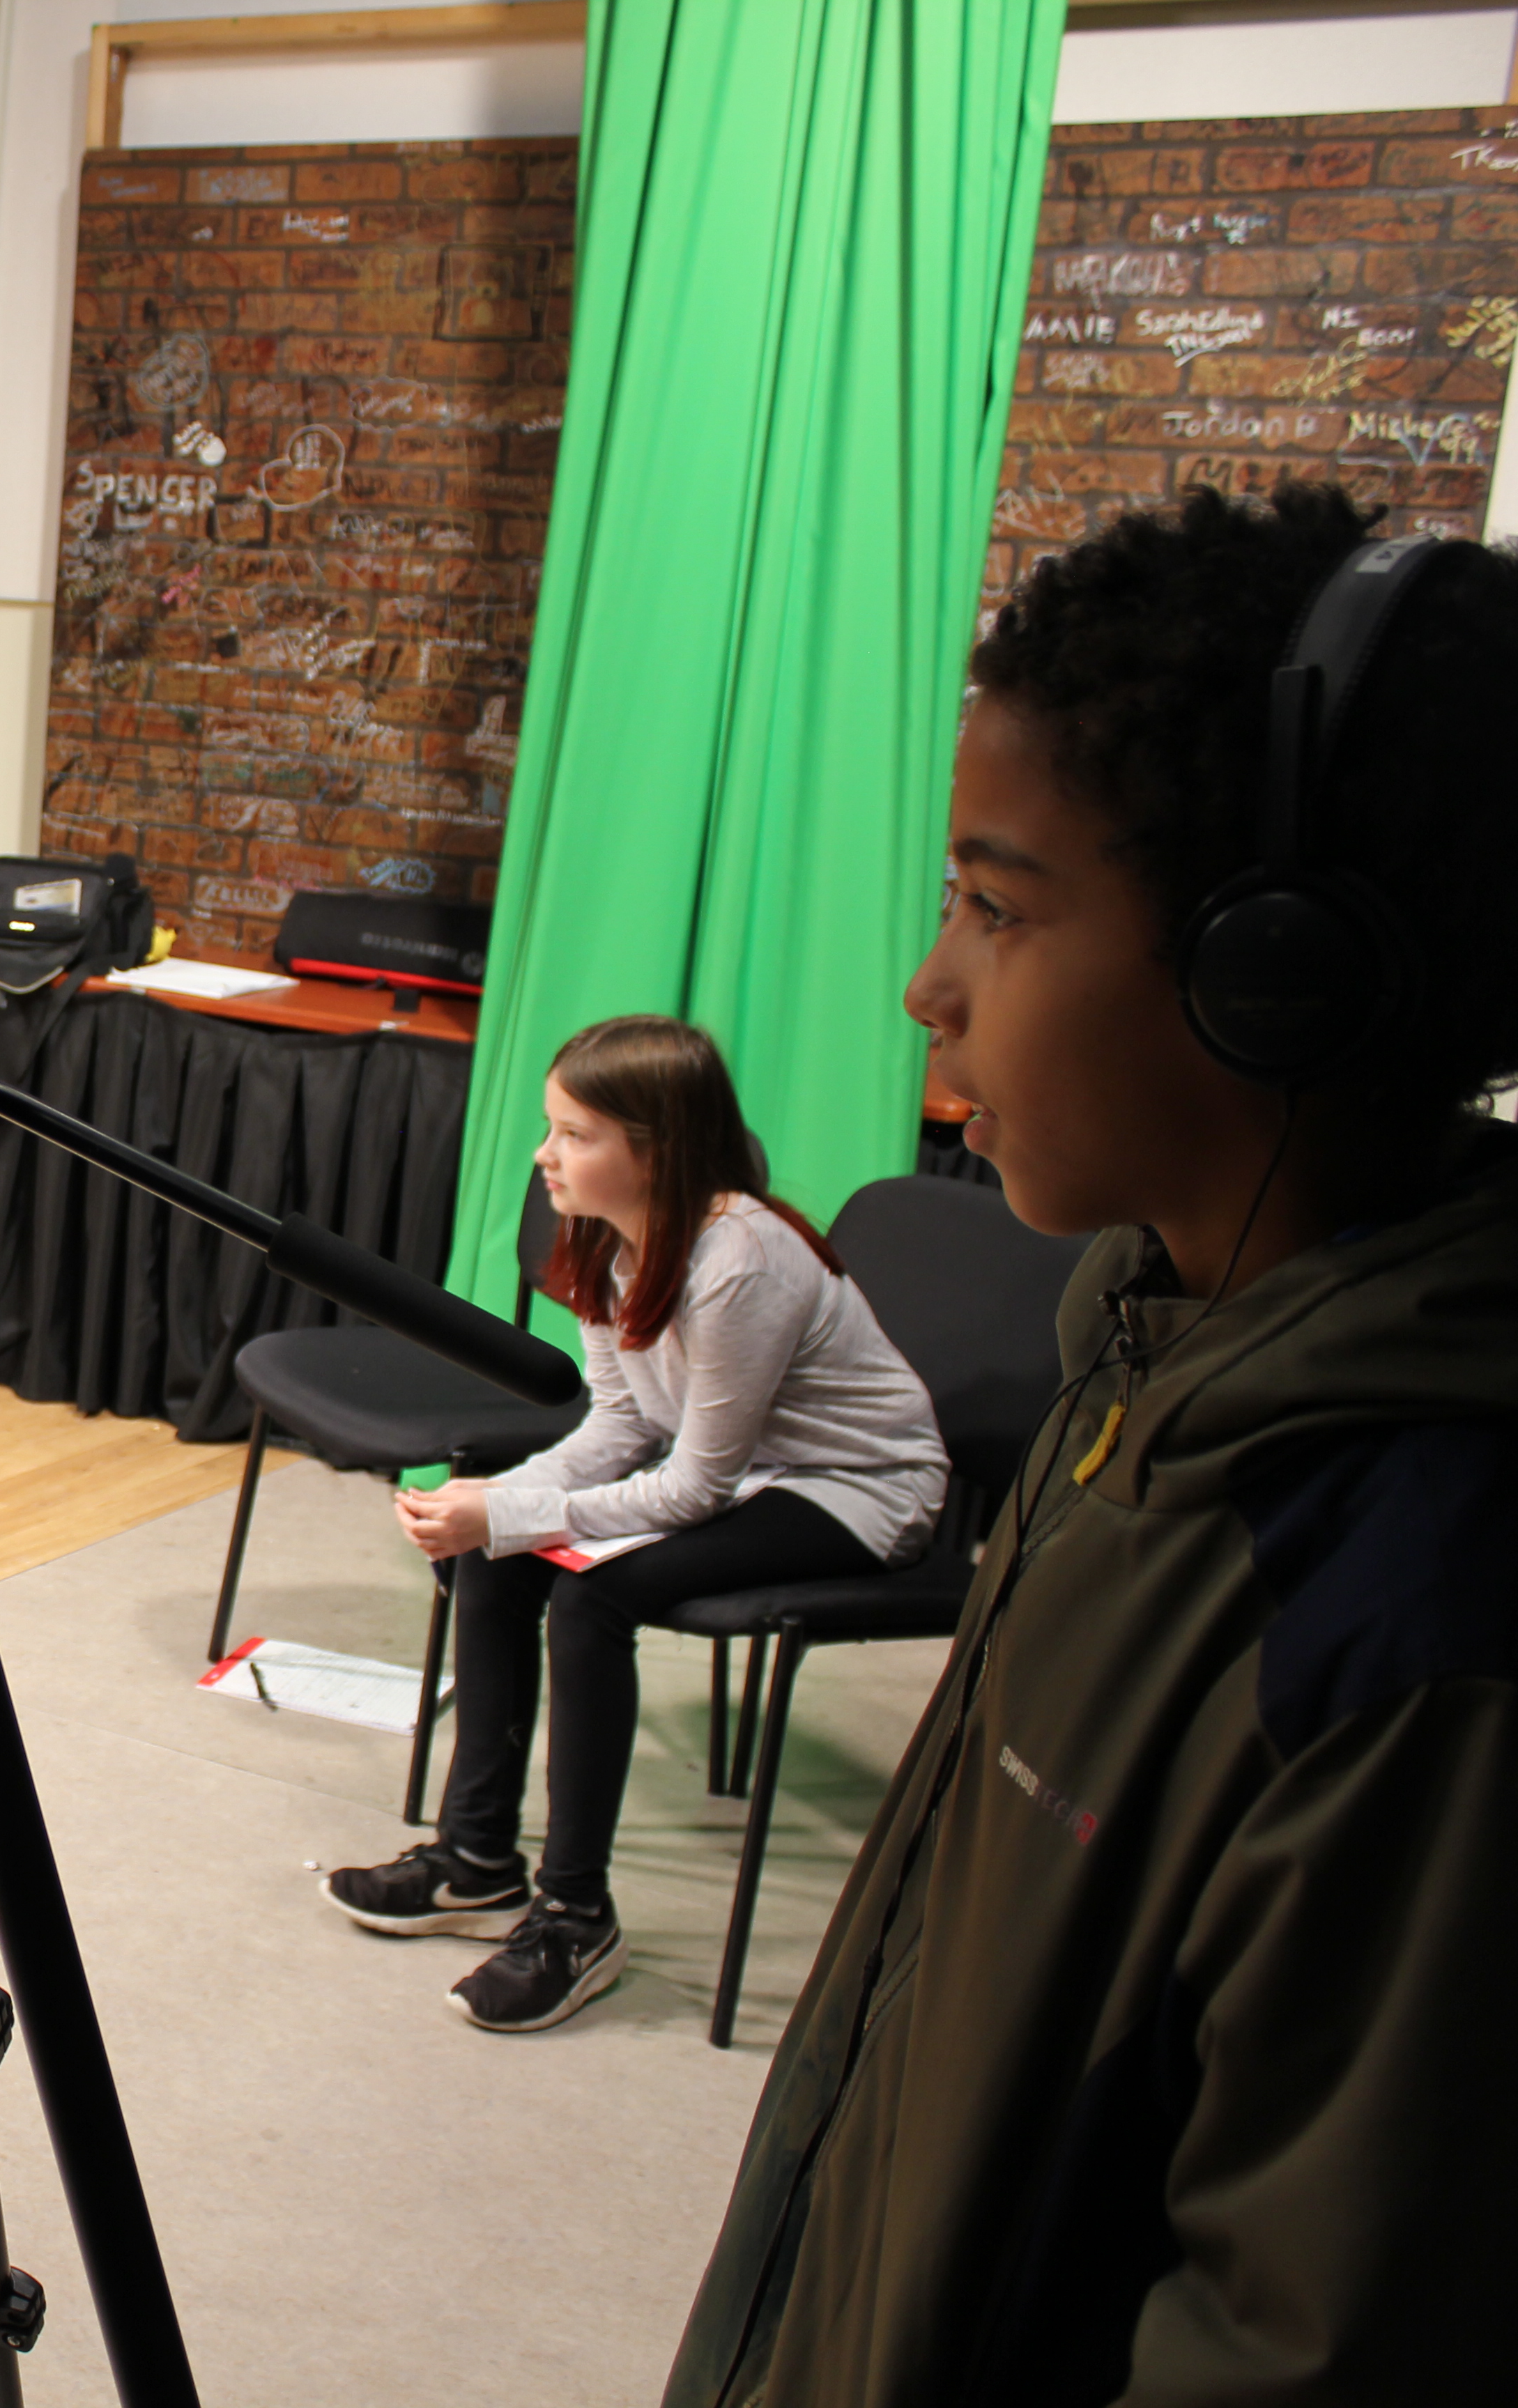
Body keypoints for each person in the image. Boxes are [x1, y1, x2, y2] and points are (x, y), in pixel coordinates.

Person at [668, 484, 1518, 2402]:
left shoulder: (1410, 1629)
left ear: (1268, 974)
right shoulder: (1139, 1377)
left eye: (997, 906)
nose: (929, 983)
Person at [324, 1014, 947, 2032]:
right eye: (550, 1128)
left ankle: (577, 1917)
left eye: (574, 1135)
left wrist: (508, 1508)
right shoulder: (602, 1235)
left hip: (857, 1491)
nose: (545, 1154)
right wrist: (495, 1509)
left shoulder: (743, 1260)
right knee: (498, 1560)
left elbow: (693, 1487)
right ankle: (477, 1860)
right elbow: (620, 1425)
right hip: (754, 1479)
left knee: (592, 1599)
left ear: (656, 1150)